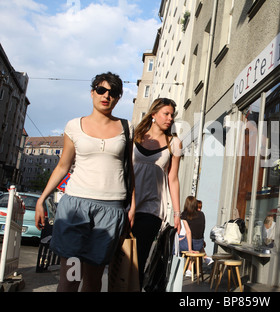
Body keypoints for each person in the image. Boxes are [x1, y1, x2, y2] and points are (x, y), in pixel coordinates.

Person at [34, 72, 135, 292]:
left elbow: (129, 170)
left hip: (110, 211)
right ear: (92, 93)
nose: (106, 96)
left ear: (118, 98)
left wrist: (132, 206)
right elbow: (63, 166)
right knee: (71, 277)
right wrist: (41, 199)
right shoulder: (74, 126)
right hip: (75, 210)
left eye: (113, 92)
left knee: (93, 280)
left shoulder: (127, 128)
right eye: (101, 90)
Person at [132, 98, 182, 287]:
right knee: (120, 258)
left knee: (139, 258)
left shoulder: (174, 143)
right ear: (154, 114)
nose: (170, 118)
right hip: (127, 204)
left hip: (152, 208)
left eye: (172, 115)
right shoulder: (136, 136)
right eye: (166, 114)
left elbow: (173, 179)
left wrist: (177, 213)